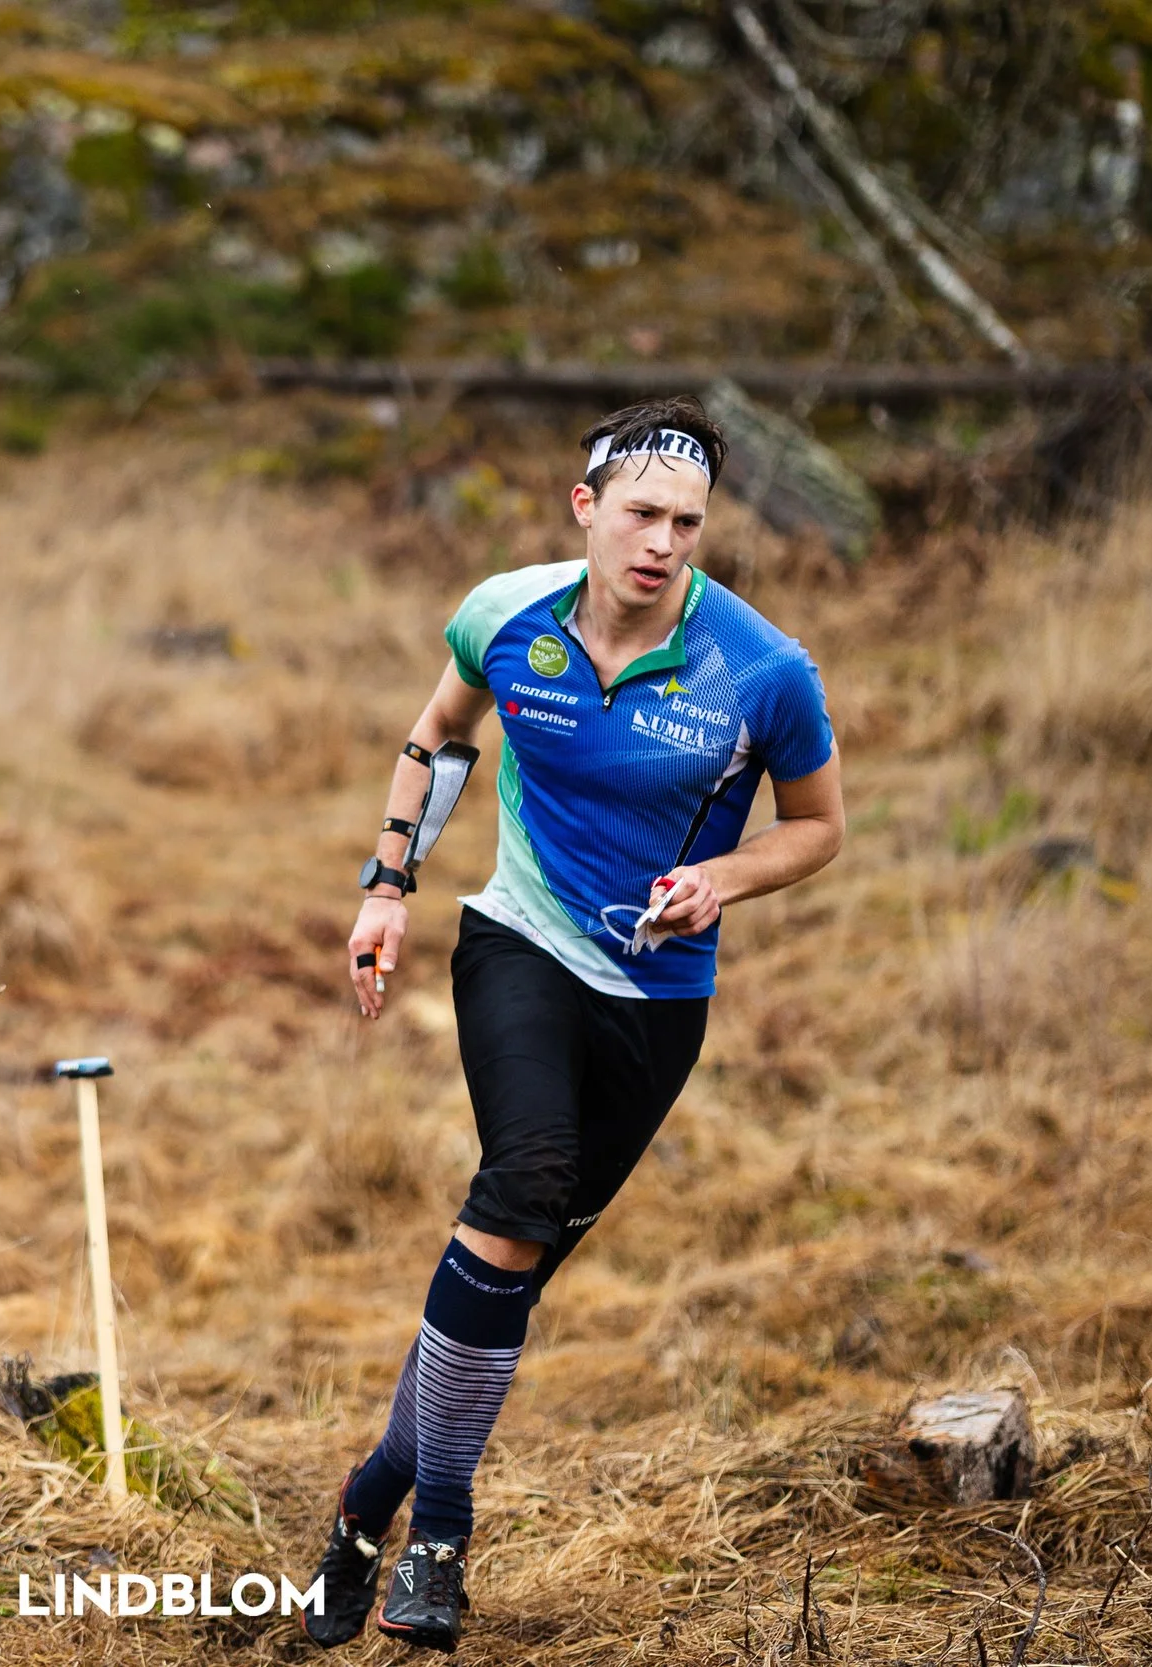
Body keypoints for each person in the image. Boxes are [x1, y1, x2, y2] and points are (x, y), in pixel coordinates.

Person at [300, 396, 846, 1653]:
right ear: (584, 507)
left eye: (689, 524)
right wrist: (387, 887)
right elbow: (439, 734)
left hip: (656, 1002)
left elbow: (817, 827)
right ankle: (438, 1534)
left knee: (508, 1266)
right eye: (642, 513)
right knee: (521, 1184)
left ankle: (361, 1505)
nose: (662, 542)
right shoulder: (508, 614)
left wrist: (727, 879)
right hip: (520, 946)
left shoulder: (764, 671)